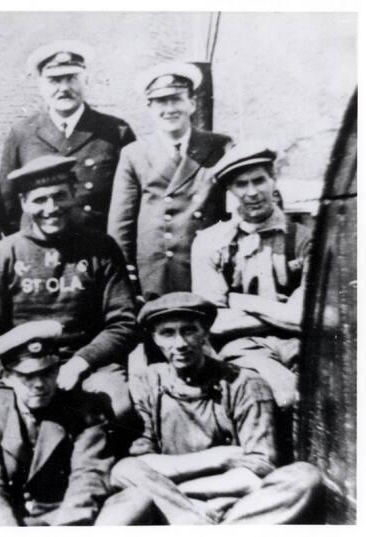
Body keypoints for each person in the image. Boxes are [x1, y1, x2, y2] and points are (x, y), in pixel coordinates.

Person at [111, 292, 322, 524]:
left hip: (236, 502)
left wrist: (178, 486)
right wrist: (218, 458)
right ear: (154, 338)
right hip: (173, 505)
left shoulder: (244, 383)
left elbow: (257, 470)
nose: (180, 344)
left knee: (304, 476)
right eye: (167, 333)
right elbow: (141, 463)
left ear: (205, 333)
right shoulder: (149, 380)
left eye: (189, 330)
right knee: (124, 470)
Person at [0, 155, 138, 422]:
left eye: (59, 196)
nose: (51, 208)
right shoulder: (3, 254)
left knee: (118, 407)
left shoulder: (101, 248)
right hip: (20, 369)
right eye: (39, 200)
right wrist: (11, 375)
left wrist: (81, 362)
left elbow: (123, 322)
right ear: (23, 203)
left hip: (86, 364)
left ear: (74, 193)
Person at [0, 320, 155, 526]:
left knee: (134, 500)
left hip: (64, 518)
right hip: (12, 520)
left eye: (47, 372)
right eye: (27, 376)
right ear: (7, 377)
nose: (39, 384)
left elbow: (87, 479)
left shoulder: (85, 412)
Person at [191, 143, 311, 408]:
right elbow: (214, 322)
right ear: (230, 190)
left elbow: (306, 319)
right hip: (242, 347)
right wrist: (281, 312)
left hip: (299, 344)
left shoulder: (305, 239)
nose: (253, 192)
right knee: (283, 394)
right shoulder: (210, 243)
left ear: (273, 180)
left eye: (259, 181)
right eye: (241, 185)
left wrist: (240, 301)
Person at [108, 61, 232, 301]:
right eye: (161, 102)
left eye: (177, 99)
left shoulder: (219, 147)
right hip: (155, 271)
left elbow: (232, 211)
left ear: (192, 104)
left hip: (206, 268)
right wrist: (125, 273)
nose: (170, 108)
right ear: (149, 107)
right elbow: (121, 223)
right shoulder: (134, 154)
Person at [0, 40, 135, 236]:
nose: (64, 88)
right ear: (40, 85)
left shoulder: (115, 131)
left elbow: (130, 202)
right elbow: (8, 203)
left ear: (86, 80)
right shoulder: (21, 133)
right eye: (54, 80)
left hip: (97, 248)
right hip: (40, 249)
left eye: (72, 78)